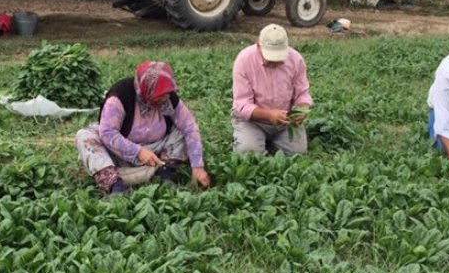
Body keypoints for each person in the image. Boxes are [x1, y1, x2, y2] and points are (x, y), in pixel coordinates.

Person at [75, 61, 212, 195]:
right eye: (160, 95)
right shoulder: (121, 95)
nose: (165, 98)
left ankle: (165, 173)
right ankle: (116, 185)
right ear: (147, 89)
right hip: (119, 154)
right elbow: (107, 133)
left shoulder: (168, 97)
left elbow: (189, 126)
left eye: (166, 94)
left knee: (182, 131)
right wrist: (138, 152)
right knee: (85, 137)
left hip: (156, 155)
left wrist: (197, 166)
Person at [232, 24, 313, 155]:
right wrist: (270, 115)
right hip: (253, 121)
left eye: (279, 58)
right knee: (248, 153)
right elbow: (242, 105)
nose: (275, 63)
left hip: (285, 122)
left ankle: (268, 141)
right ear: (259, 46)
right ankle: (252, 138)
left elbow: (302, 93)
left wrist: (301, 109)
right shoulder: (244, 60)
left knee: (297, 153)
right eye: (270, 58)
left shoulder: (296, 60)